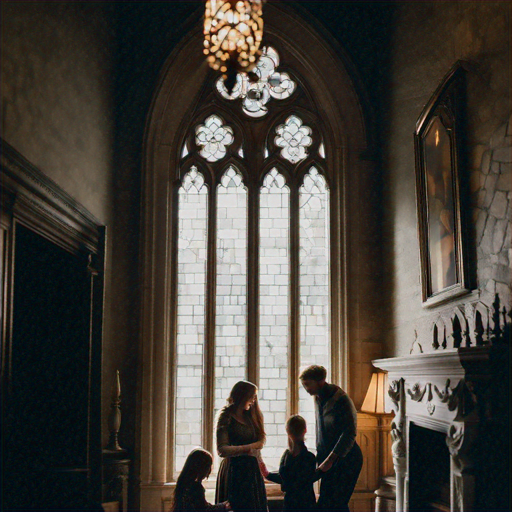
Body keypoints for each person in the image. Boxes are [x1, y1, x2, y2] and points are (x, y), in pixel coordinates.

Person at [300, 365, 363, 512]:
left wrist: (330, 459)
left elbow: (349, 433)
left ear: (320, 381)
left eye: (308, 384)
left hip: (346, 459)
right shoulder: (317, 398)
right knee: (326, 503)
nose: (306, 388)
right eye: (304, 385)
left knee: (337, 503)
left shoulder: (341, 400)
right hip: (328, 459)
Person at [215, 381, 268, 511]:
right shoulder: (226, 416)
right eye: (252, 397)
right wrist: (248, 448)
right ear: (243, 396)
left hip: (251, 470)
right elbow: (222, 450)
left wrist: (246, 448)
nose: (254, 401)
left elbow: (261, 442)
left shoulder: (253, 416)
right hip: (233, 471)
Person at [264, 415, 318, 512]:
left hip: (293, 503)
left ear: (288, 432)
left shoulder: (287, 457)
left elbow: (286, 480)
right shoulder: (309, 457)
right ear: (305, 430)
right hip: (305, 503)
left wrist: (268, 475)